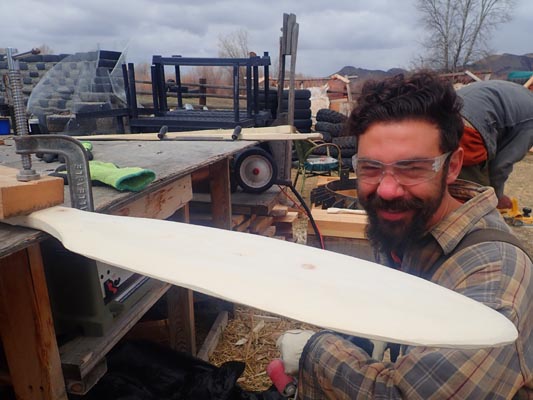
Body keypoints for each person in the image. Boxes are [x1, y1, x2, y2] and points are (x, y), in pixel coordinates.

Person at [277, 71, 533, 399]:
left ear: (454, 165)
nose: (386, 189)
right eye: (370, 168)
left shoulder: (494, 275)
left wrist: (314, 351)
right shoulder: (414, 228)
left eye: (412, 169)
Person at [457, 80, 533, 209]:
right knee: (476, 200)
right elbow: (500, 166)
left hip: (438, 114)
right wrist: (497, 197)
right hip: (464, 127)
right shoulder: (530, 121)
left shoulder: (521, 95)